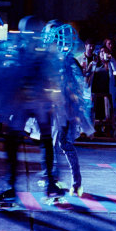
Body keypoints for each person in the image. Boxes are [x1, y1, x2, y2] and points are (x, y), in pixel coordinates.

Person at [0, 16, 65, 201]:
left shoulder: (26, 48)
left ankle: (15, 184)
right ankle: (46, 182)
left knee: (23, 142)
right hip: (33, 102)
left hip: (29, 101)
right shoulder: (40, 50)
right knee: (40, 141)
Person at [44, 21, 94, 196]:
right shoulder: (48, 59)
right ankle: (53, 179)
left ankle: (75, 182)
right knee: (51, 143)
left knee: (63, 143)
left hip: (64, 110)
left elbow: (79, 88)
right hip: (50, 108)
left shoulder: (68, 60)